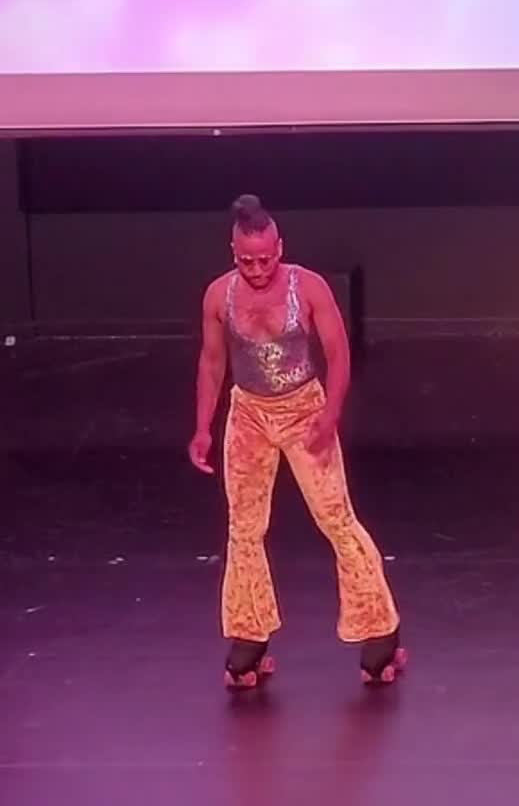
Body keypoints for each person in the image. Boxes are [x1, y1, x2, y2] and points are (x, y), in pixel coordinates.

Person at [189, 194, 405, 689]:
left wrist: (330, 413)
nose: (257, 269)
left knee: (335, 518)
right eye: (247, 261)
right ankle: (249, 632)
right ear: (234, 252)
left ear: (279, 248)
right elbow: (212, 363)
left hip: (303, 409)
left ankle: (379, 627)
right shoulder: (218, 296)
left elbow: (339, 354)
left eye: (265, 259)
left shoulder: (307, 287)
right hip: (249, 413)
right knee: (244, 525)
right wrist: (202, 426)